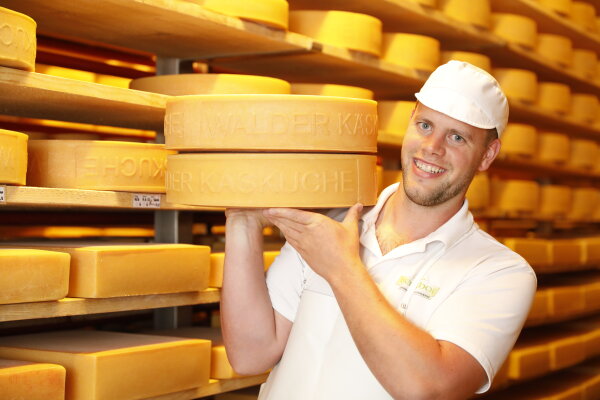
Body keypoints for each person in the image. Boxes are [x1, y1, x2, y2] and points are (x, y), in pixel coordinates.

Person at [221, 61, 537, 400]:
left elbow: (430, 389)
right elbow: (250, 354)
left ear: (487, 155)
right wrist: (242, 221)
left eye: (457, 137)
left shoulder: (499, 272)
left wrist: (341, 267)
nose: (432, 147)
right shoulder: (334, 222)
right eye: (425, 125)